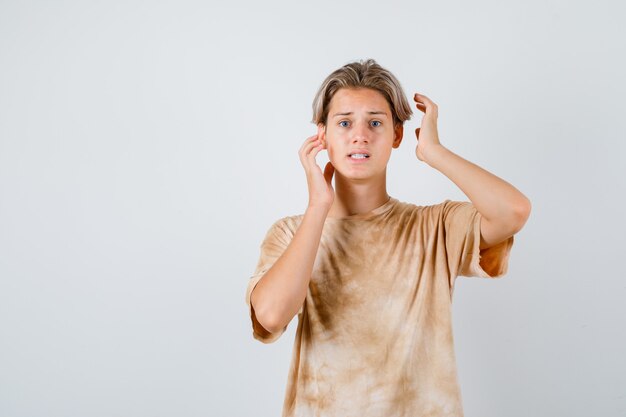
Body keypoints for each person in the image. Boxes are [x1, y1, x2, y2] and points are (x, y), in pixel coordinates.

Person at [245, 58, 531, 417]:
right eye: (344, 122)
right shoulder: (290, 233)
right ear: (323, 135)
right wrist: (318, 205)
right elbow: (270, 315)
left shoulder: (434, 227)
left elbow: (513, 211)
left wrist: (434, 153)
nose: (359, 135)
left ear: (396, 135)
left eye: (375, 123)